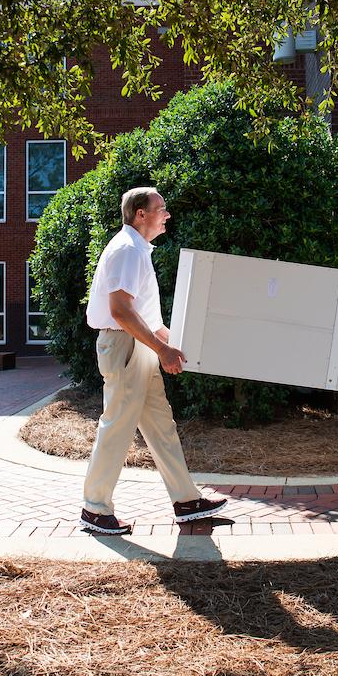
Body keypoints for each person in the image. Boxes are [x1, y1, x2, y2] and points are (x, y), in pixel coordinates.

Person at [79, 187, 228, 535]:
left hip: (138, 347)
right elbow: (120, 311)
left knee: (161, 427)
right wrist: (162, 350)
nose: (167, 214)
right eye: (161, 209)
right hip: (125, 346)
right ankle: (94, 508)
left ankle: (186, 501)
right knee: (117, 426)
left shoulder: (137, 250)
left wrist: (172, 343)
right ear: (140, 214)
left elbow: (145, 316)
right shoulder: (128, 250)